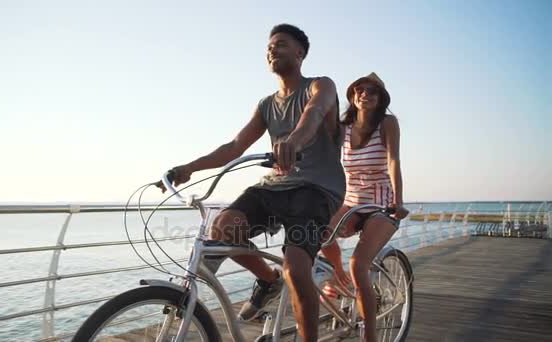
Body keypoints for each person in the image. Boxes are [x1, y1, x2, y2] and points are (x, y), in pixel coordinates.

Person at [158, 24, 345, 341]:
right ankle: (267, 280)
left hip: (316, 189)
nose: (272, 50)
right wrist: (189, 168)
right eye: (269, 46)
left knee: (297, 270)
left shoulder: (320, 86)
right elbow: (234, 147)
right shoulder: (265, 104)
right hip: (273, 187)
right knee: (224, 227)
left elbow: (312, 115)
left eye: (281, 44)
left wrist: (294, 141)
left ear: (300, 52)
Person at [320, 72, 409, 342]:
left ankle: (369, 336)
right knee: (319, 230)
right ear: (352, 96)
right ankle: (337, 276)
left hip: (381, 204)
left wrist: (399, 201)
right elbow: (322, 156)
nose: (365, 94)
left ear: (381, 99)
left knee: (359, 264)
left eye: (372, 91)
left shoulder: (387, 123)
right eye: (360, 90)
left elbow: (393, 160)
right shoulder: (342, 128)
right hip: (351, 201)